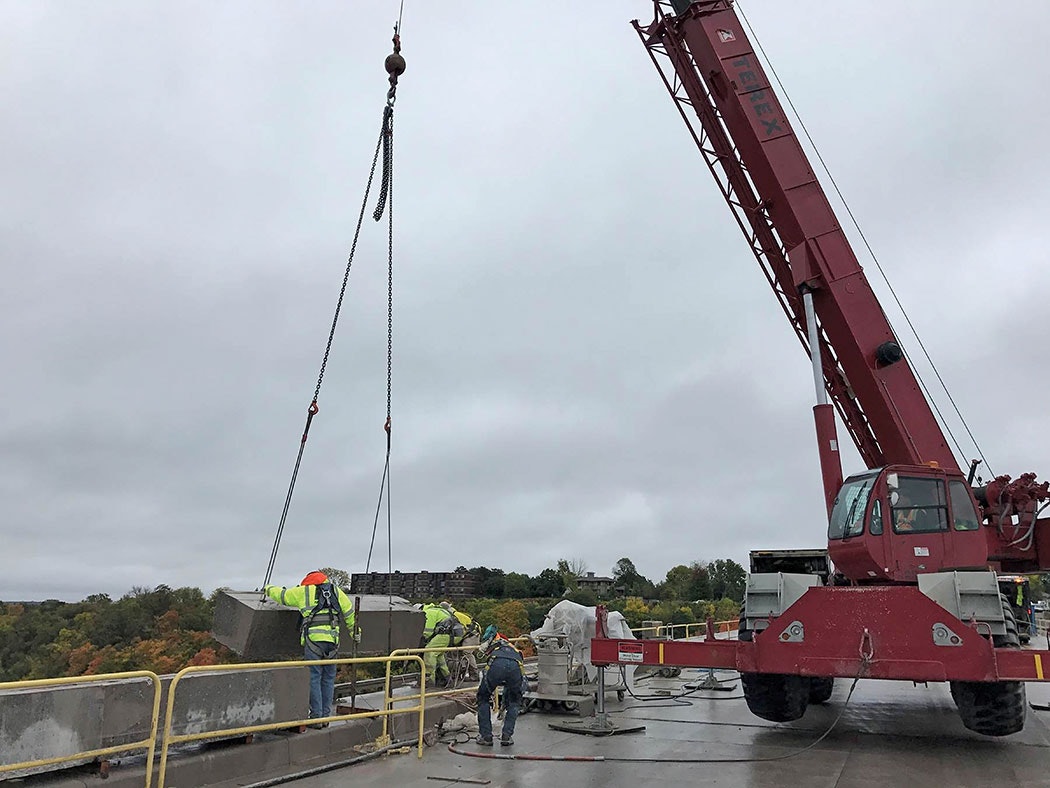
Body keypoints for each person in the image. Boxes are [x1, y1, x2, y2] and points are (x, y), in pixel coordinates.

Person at [264, 570, 357, 728]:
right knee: (328, 679)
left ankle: (316, 717)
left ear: (308, 581)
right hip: (333, 643)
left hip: (314, 642)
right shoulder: (336, 591)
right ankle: (325, 718)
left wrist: (268, 588)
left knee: (313, 677)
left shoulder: (303, 592)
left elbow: (282, 596)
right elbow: (349, 613)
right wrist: (356, 632)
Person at [475, 625, 526, 747]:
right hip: (516, 666)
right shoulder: (511, 646)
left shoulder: (493, 646)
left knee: (483, 698)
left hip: (497, 663)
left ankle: (486, 736)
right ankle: (507, 736)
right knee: (514, 701)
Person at [420, 602, 458, 687]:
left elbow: (428, 631)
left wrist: (422, 639)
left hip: (443, 635)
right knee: (439, 656)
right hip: (448, 635)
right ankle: (447, 678)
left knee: (429, 652)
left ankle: (429, 681)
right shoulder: (436, 610)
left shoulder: (428, 612)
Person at [441, 601, 481, 681]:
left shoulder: (453, 616)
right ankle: (457, 674)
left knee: (466, 652)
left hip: (472, 634)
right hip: (466, 634)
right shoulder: (453, 615)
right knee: (455, 653)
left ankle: (474, 675)